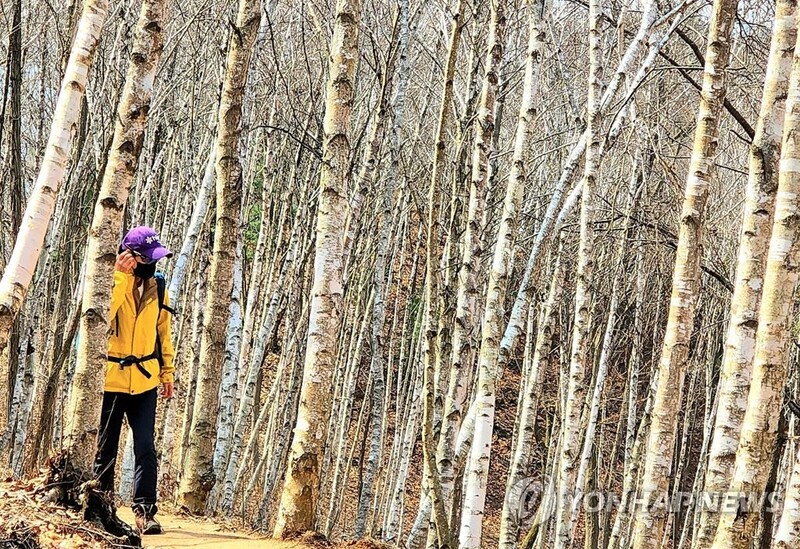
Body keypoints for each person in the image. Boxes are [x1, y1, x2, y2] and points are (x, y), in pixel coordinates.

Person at [93, 226, 175, 535]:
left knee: (145, 446)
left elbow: (163, 333)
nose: (153, 264)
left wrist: (167, 372)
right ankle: (100, 507)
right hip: (112, 379)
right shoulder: (111, 284)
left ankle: (145, 511)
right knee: (105, 448)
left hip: (145, 379)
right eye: (147, 258)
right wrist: (120, 278)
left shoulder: (160, 287)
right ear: (130, 256)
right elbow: (102, 318)